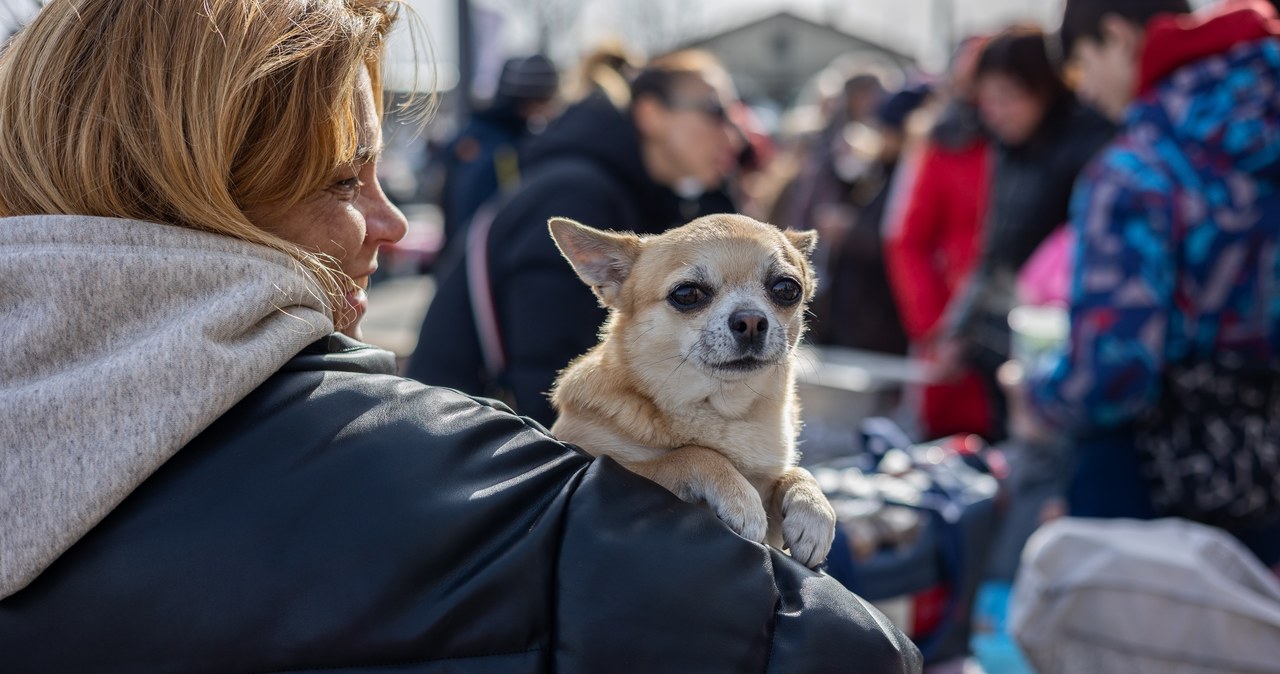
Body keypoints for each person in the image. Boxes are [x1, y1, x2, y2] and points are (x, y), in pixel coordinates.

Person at [0, 2, 927, 671]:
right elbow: (852, 651)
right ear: (203, 189)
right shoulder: (462, 490)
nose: (394, 222)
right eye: (343, 180)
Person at [1015, 0, 1280, 566]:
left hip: (1157, 490)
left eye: (1083, 65)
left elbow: (1114, 372)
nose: (1084, 91)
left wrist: (1037, 393)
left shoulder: (1140, 170)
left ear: (1117, 37)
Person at [406, 50, 744, 426]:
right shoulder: (577, 196)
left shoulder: (628, 193)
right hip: (465, 448)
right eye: (716, 111)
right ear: (652, 115)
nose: (735, 134)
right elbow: (552, 387)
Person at [934, 26, 1115, 442]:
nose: (994, 112)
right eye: (987, 99)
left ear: (1044, 88)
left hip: (1060, 349)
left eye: (1007, 97)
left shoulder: (1090, 145)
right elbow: (994, 246)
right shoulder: (1008, 147)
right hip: (1005, 342)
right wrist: (959, 330)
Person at [885, 38, 995, 439]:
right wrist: (934, 328)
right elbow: (907, 241)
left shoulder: (1038, 144)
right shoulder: (943, 142)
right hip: (954, 333)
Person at [438, 54, 560, 253]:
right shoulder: (505, 150)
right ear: (533, 101)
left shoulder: (477, 133)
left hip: (458, 253)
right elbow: (504, 205)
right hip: (481, 256)